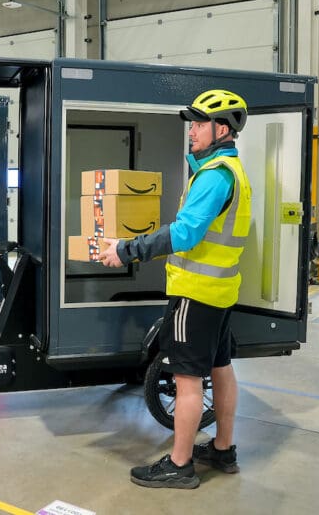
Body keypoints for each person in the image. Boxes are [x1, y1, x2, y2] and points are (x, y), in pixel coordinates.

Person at [98, 89, 252, 489]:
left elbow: (185, 234)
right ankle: (223, 448)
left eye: (200, 125)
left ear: (222, 129)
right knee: (220, 368)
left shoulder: (215, 176)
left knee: (187, 379)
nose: (192, 132)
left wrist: (126, 250)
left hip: (195, 293)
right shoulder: (233, 173)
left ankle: (180, 464)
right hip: (219, 294)